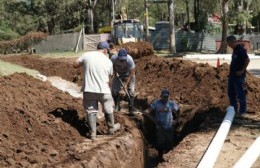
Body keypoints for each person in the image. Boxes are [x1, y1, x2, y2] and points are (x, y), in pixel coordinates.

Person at [73, 41, 120, 140]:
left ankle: (93, 134)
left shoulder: (86, 55)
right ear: (105, 50)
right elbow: (110, 76)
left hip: (89, 89)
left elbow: (75, 65)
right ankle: (111, 129)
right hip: (104, 90)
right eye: (107, 51)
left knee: (91, 111)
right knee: (108, 109)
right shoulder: (108, 61)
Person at [144, 89, 179, 157]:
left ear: (168, 97)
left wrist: (176, 120)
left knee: (169, 142)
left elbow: (178, 111)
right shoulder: (156, 103)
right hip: (160, 127)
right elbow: (149, 109)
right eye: (164, 97)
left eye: (166, 97)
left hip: (169, 126)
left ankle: (168, 158)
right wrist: (145, 112)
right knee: (160, 142)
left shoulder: (172, 103)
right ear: (161, 96)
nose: (165, 98)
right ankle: (160, 157)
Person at [226, 35, 250, 117]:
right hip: (232, 76)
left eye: (229, 44)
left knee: (240, 94)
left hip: (239, 77)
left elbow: (247, 60)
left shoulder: (240, 50)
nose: (229, 46)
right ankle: (234, 111)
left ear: (233, 42)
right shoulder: (235, 50)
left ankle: (242, 112)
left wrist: (242, 71)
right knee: (231, 93)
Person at [110, 48, 136, 115]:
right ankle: (117, 106)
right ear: (118, 56)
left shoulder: (129, 60)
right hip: (119, 74)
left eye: (123, 59)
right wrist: (115, 72)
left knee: (131, 92)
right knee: (115, 91)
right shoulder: (113, 58)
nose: (122, 60)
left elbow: (131, 73)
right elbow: (111, 65)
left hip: (129, 75)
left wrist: (126, 84)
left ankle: (131, 109)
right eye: (120, 59)